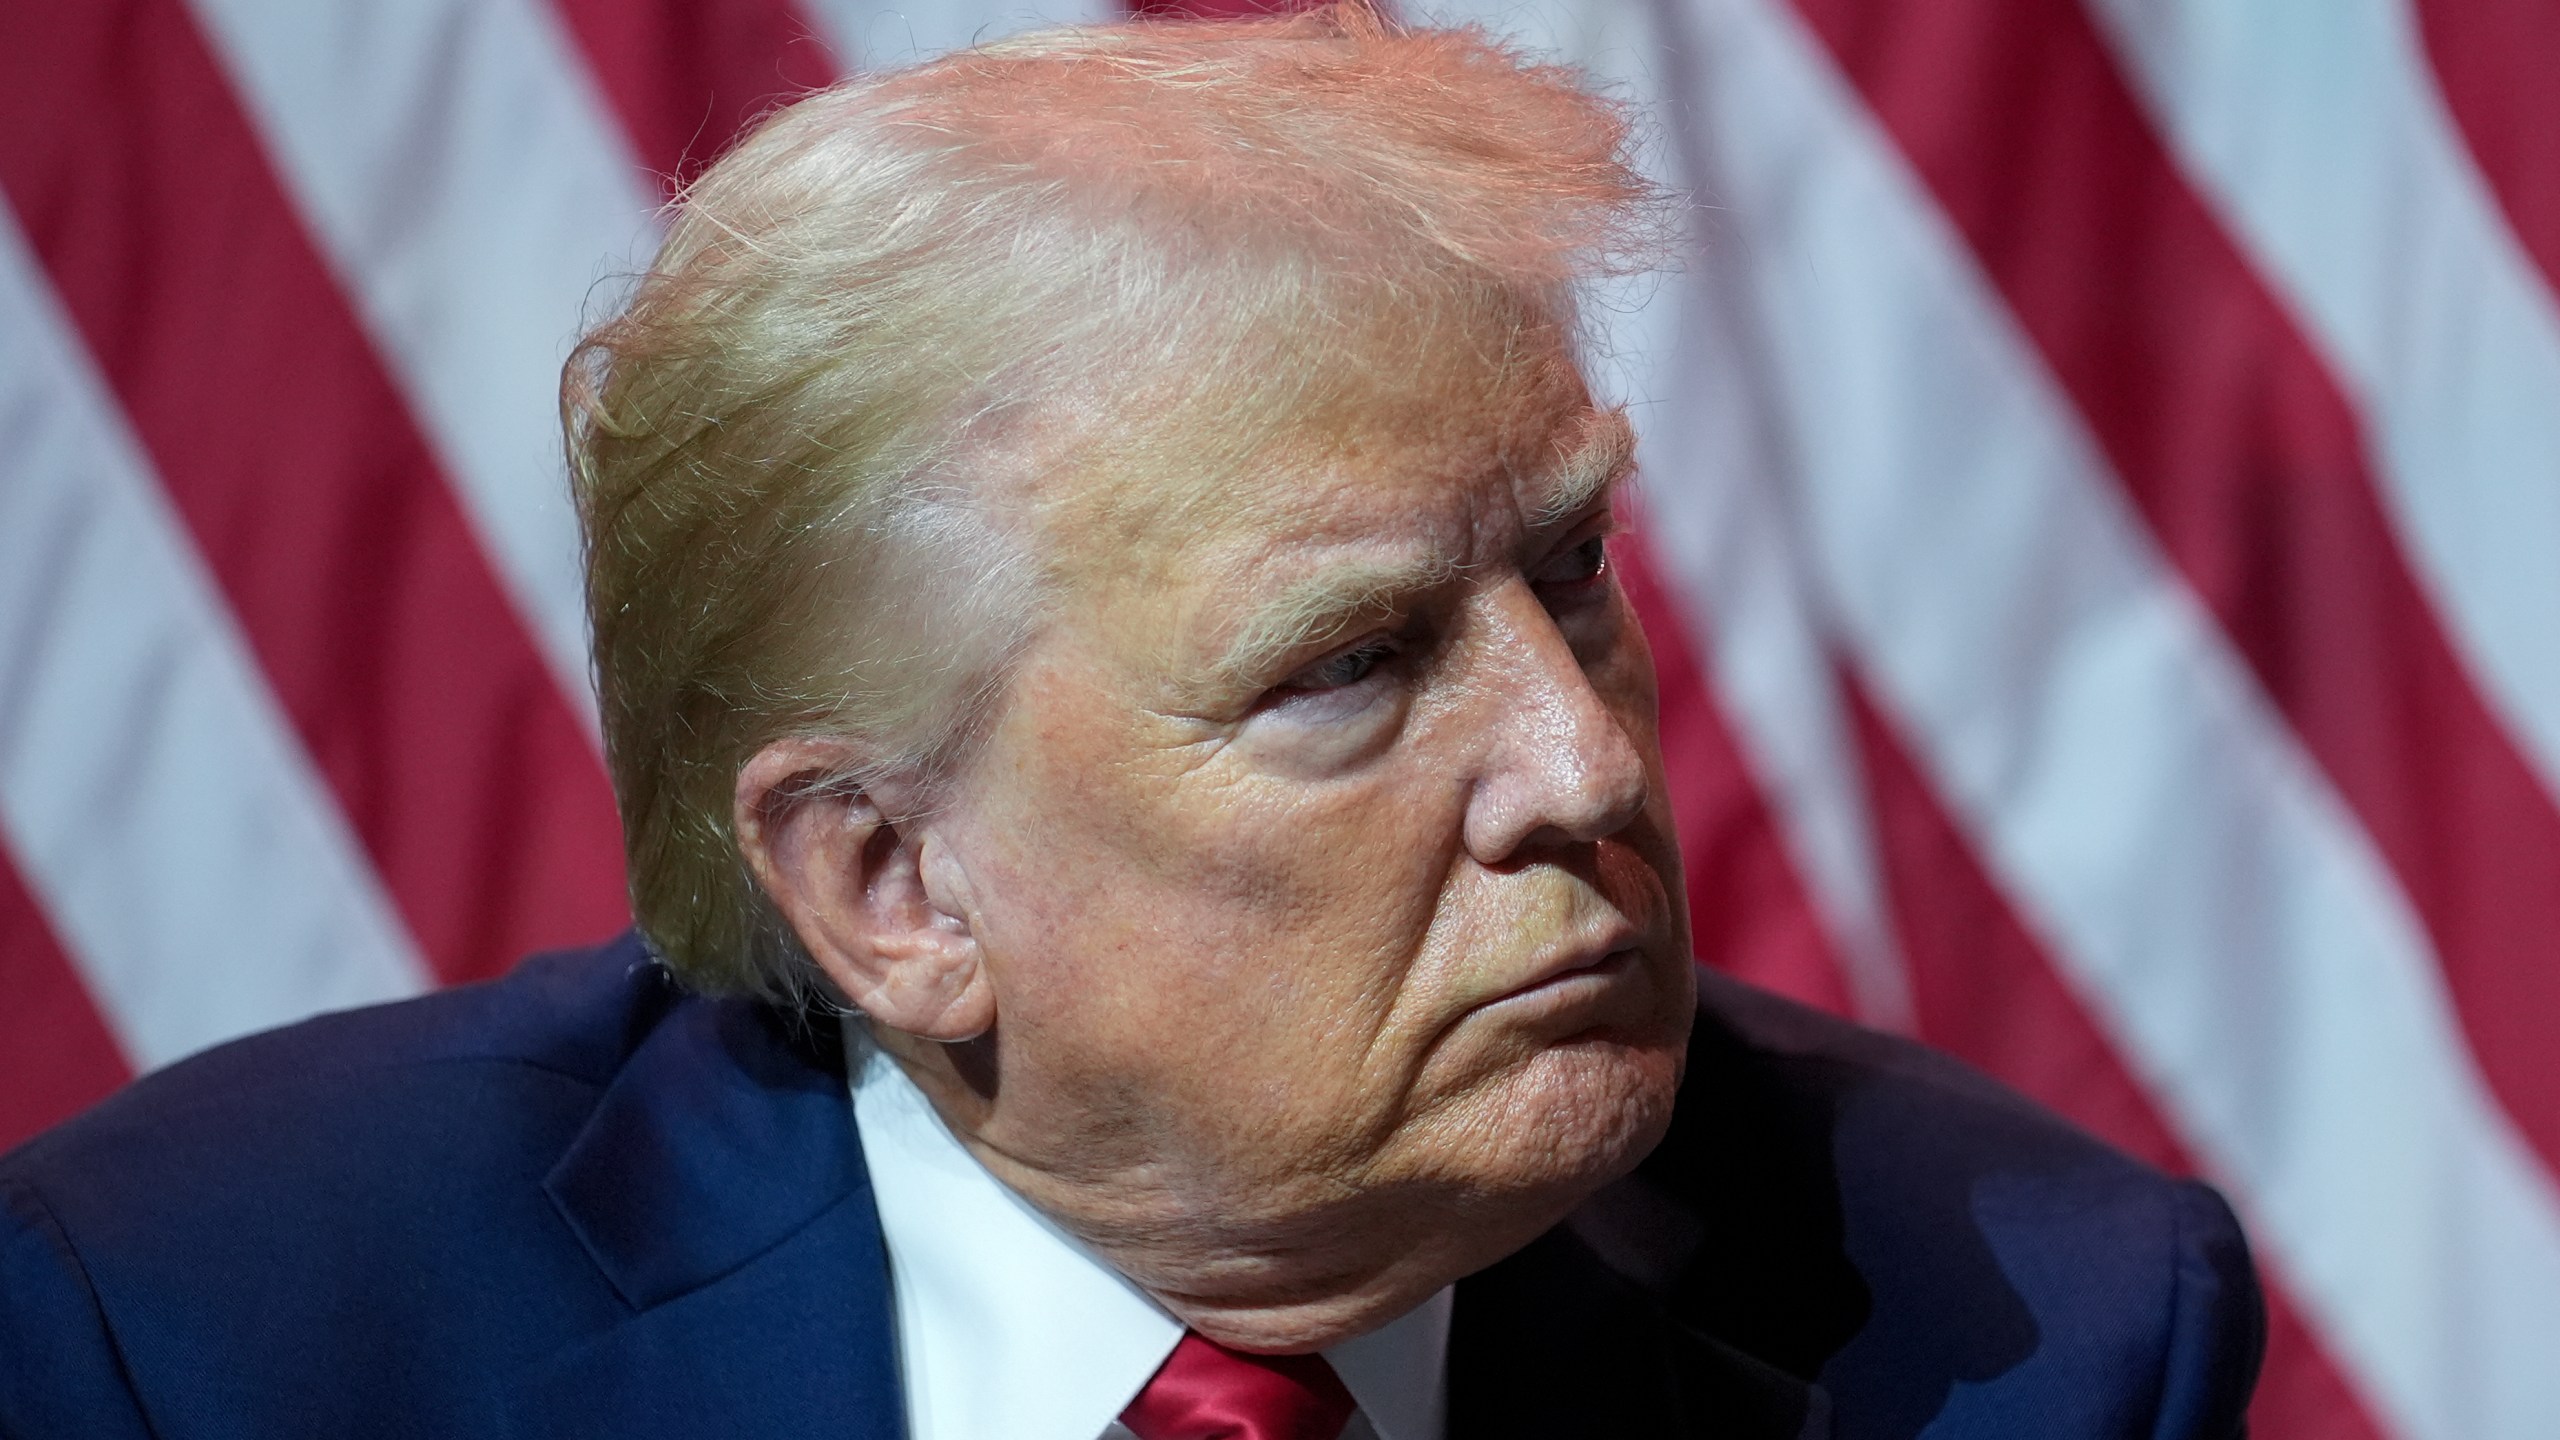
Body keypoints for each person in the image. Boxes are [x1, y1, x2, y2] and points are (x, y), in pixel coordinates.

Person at [0, 9, 2262, 1438]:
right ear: (890, 884)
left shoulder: (2029, 1332)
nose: (1578, 764)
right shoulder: (205, 1342)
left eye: (1569, 572)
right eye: (1348, 668)